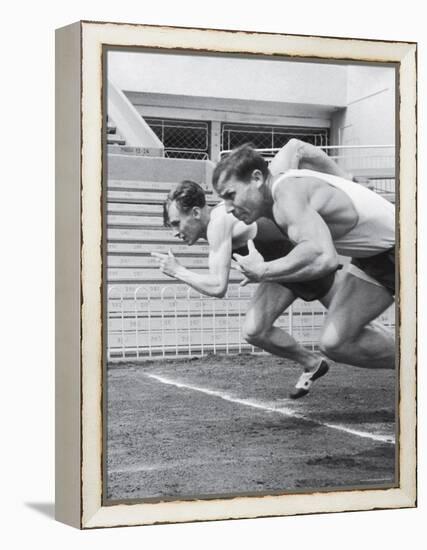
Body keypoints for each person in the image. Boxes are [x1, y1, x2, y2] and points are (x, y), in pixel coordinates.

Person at [211, 141, 395, 370]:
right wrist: (346, 178)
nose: (227, 207)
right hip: (372, 256)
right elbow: (296, 146)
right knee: (334, 343)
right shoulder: (275, 188)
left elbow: (324, 258)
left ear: (257, 179)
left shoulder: (286, 195)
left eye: (231, 195)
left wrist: (263, 270)